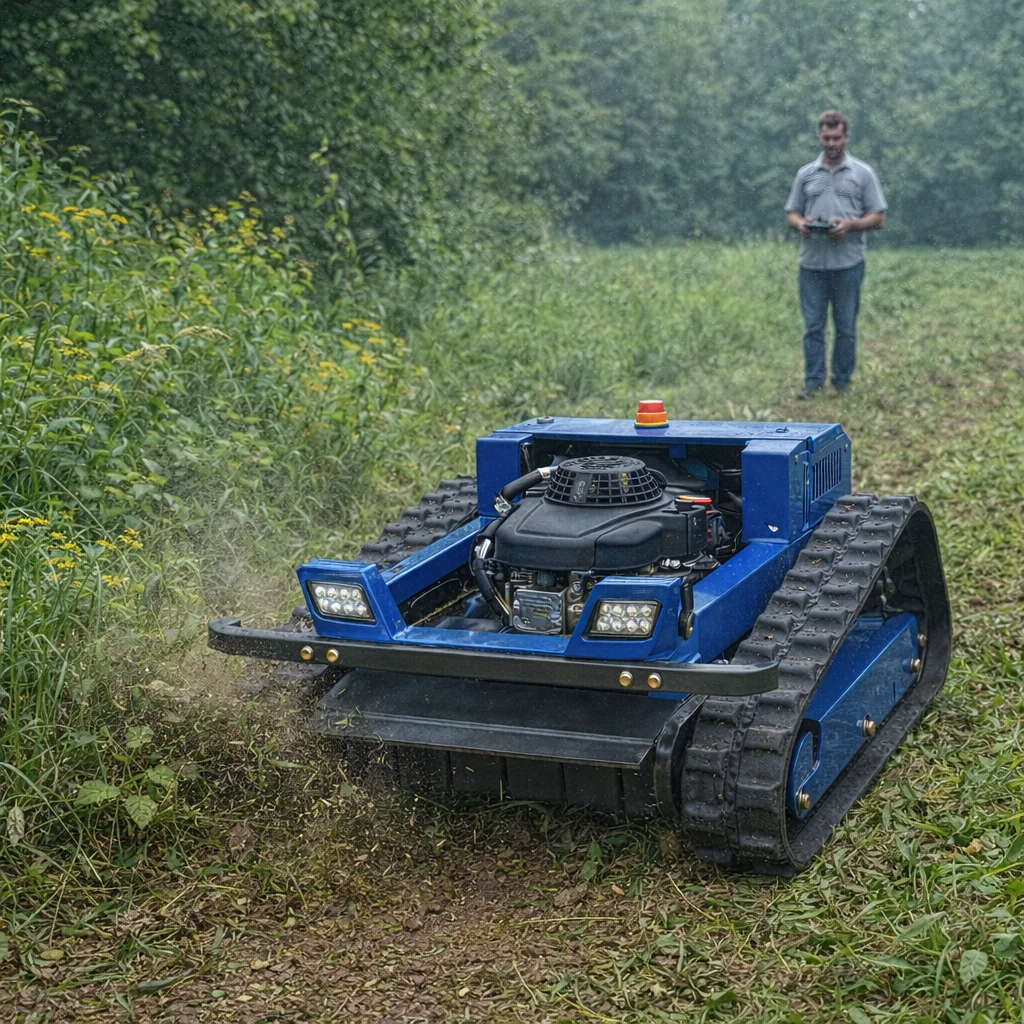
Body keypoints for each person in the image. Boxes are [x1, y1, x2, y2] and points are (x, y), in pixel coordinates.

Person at [785, 110, 887, 398]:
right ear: (819, 136)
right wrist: (801, 224)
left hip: (848, 262)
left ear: (846, 136)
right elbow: (791, 211)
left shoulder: (863, 173)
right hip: (812, 263)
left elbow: (878, 216)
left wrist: (851, 225)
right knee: (813, 326)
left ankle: (842, 383)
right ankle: (813, 383)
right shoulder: (805, 174)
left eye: (837, 137)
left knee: (846, 326)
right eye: (827, 138)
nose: (831, 143)